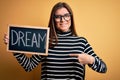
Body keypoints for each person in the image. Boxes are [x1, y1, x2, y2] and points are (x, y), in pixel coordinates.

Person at [4, 2, 107, 80]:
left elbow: (103, 68)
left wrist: (91, 60)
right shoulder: (45, 41)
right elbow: (29, 66)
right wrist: (14, 46)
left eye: (66, 15)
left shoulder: (81, 42)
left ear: (71, 17)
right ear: (53, 20)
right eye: (58, 17)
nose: (63, 20)